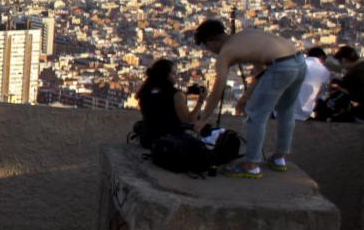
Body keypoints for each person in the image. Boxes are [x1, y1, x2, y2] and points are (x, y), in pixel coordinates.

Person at [190, 19, 306, 179]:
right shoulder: (245, 36)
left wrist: (203, 119)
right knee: (286, 111)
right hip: (299, 62)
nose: (210, 51)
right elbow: (260, 72)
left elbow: (218, 88)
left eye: (207, 46)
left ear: (211, 40)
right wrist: (245, 97)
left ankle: (251, 165)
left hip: (281, 67)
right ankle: (280, 158)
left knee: (256, 115)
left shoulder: (226, 52)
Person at [134, 58, 194, 145]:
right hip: (169, 142)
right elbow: (187, 120)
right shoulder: (176, 95)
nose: (176, 76)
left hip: (147, 139)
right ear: (165, 75)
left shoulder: (145, 92)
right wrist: (200, 101)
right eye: (173, 73)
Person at [296, 47, 333, 121]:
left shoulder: (296, 64)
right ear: (322, 58)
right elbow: (319, 95)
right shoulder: (325, 71)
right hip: (305, 114)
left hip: (281, 112)